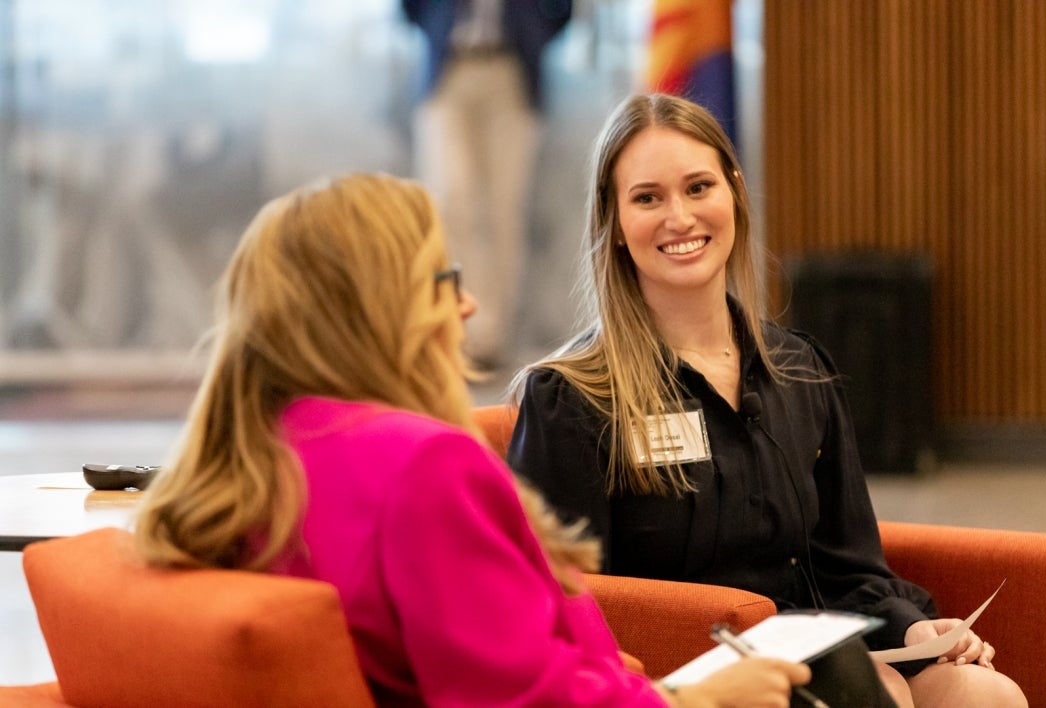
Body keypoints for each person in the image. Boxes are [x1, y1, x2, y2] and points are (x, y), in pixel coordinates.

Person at [131, 172, 811, 706]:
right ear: (381, 305)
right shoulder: (422, 464)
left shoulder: (260, 449)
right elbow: (515, 698)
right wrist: (695, 700)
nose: (468, 305)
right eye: (444, 279)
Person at [506, 93, 1028, 708]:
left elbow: (846, 562)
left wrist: (913, 628)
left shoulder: (800, 370)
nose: (679, 217)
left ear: (735, 192)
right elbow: (561, 606)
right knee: (868, 688)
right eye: (648, 198)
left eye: (698, 187)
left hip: (823, 657)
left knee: (981, 692)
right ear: (615, 224)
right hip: (673, 678)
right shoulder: (570, 399)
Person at [400, 0, 571, 368]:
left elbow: (563, 10)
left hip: (512, 70)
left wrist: (535, 34)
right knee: (448, 204)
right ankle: (450, 328)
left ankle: (488, 338)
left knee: (503, 209)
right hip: (448, 67)